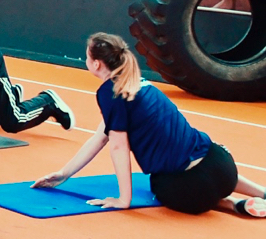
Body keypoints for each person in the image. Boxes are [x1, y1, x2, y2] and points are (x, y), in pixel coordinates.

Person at [32, 33, 266, 217]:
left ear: (96, 64)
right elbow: (101, 136)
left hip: (196, 188)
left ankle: (229, 203)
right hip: (223, 165)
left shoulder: (110, 93)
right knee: (203, 162)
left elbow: (118, 146)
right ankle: (261, 192)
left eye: (87, 57)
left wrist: (123, 200)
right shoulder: (135, 83)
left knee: (159, 184)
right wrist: (63, 174)